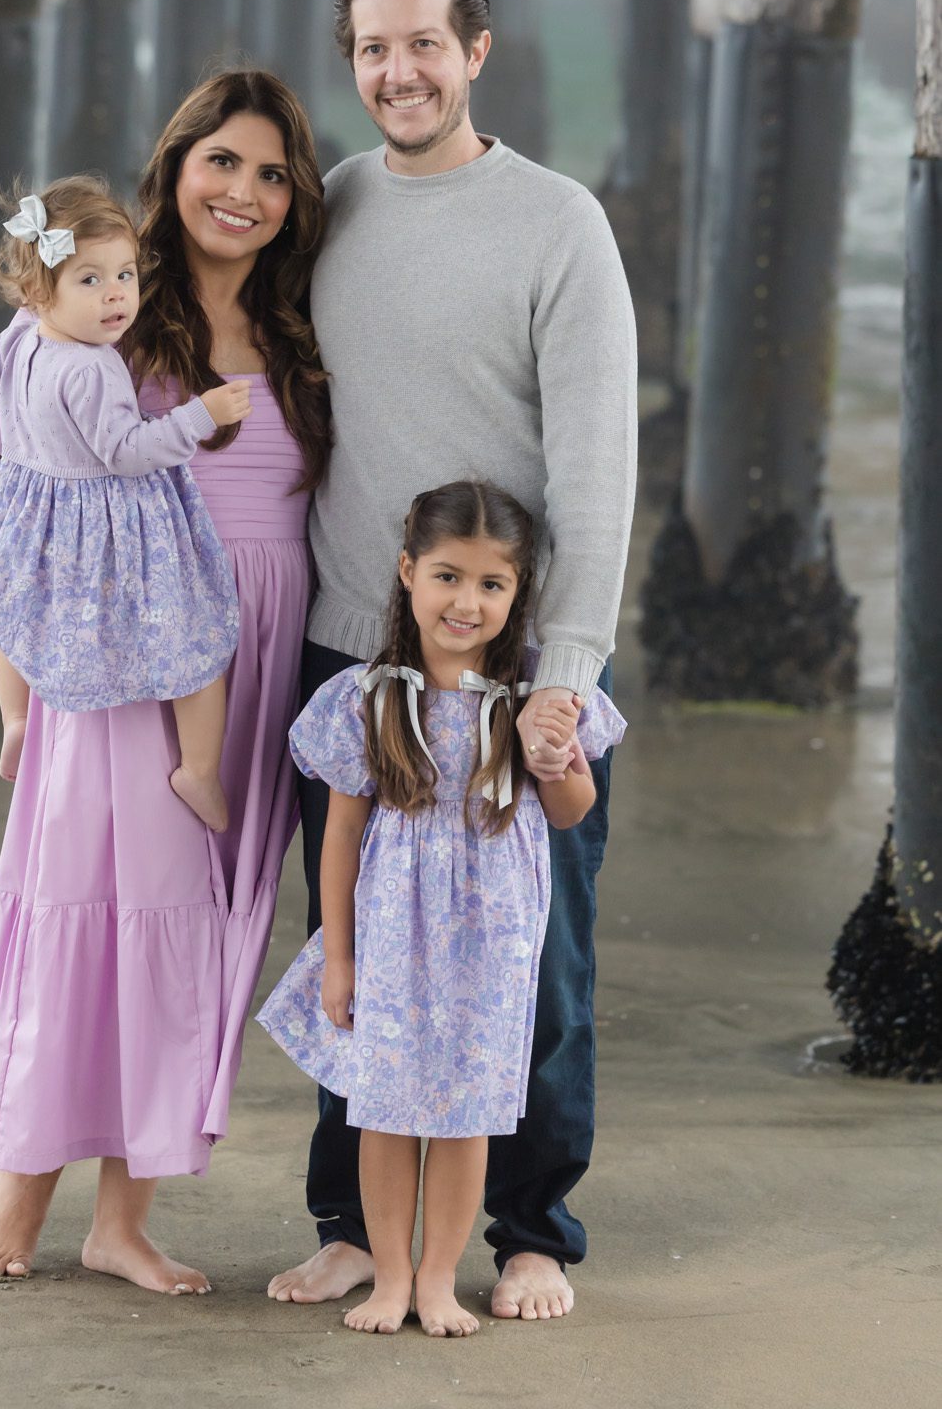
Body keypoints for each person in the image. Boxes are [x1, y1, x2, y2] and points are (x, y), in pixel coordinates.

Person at [269, 0, 637, 1323]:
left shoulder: (557, 224)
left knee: (535, 961)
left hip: (512, 669)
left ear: (476, 53)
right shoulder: (336, 206)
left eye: (424, 43)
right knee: (353, 941)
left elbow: (598, 468)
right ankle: (351, 1227)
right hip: (353, 658)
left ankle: (529, 1228)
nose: (397, 69)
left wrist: (566, 677)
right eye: (372, 46)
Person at [0, 70, 330, 1293]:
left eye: (272, 173)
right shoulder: (105, 308)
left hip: (259, 645)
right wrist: (86, 571)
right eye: (223, 161)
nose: (245, 191)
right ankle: (27, 1161)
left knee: (200, 930)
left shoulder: (306, 324)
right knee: (86, 897)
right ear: (177, 166)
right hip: (126, 644)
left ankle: (124, 1216)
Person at [260, 482, 625, 1338]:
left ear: (518, 593)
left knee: (468, 1116)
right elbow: (338, 839)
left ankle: (436, 1282)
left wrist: (553, 754)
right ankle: (387, 1277)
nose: (467, 602)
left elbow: (570, 812)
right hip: (392, 933)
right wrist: (339, 958)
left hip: (493, 943)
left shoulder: (532, 695)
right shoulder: (368, 696)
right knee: (384, 1109)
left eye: (491, 585)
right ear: (406, 574)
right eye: (447, 577)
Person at [0, 174, 248, 832]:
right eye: (89, 279)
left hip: (31, 512)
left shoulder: (23, 336)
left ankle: (17, 720)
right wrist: (201, 414)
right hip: (97, 520)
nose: (116, 294)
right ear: (39, 289)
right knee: (196, 638)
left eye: (125, 275)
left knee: (16, 613)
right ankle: (197, 768)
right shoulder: (90, 366)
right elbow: (127, 451)